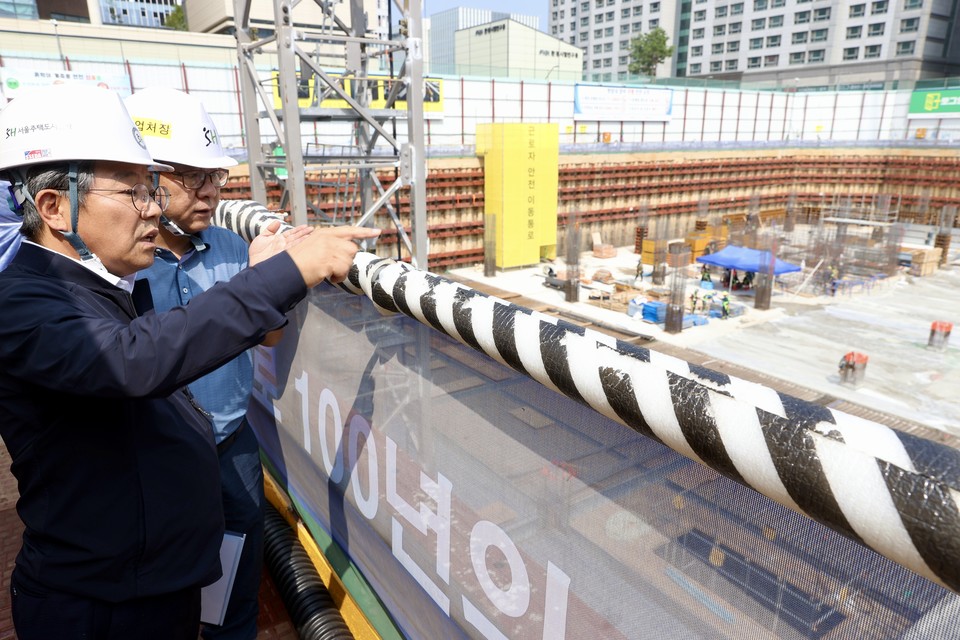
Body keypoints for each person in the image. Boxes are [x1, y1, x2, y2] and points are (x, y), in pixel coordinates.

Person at [0, 84, 379, 640]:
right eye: (135, 191)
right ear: (55, 207)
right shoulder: (22, 304)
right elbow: (134, 360)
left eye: (153, 188)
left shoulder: (92, 284)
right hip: (103, 608)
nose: (154, 207)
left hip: (144, 583)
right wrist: (285, 272)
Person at [124, 87, 270, 640]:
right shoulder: (119, 266)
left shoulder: (232, 247)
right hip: (155, 454)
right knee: (165, 585)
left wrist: (268, 277)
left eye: (216, 177)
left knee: (238, 578)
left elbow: (272, 338)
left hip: (232, 443)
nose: (210, 192)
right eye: (194, 177)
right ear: (149, 176)